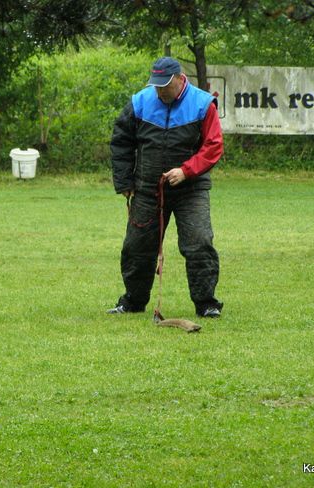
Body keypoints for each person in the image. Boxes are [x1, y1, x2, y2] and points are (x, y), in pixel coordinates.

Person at [107, 56, 224, 318]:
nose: (160, 92)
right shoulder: (140, 102)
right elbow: (121, 141)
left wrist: (186, 170)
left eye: (165, 86)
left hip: (190, 189)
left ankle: (206, 303)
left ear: (180, 80)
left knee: (199, 243)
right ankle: (133, 301)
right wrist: (124, 181)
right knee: (136, 247)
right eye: (157, 86)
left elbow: (213, 146)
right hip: (148, 189)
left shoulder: (203, 105)